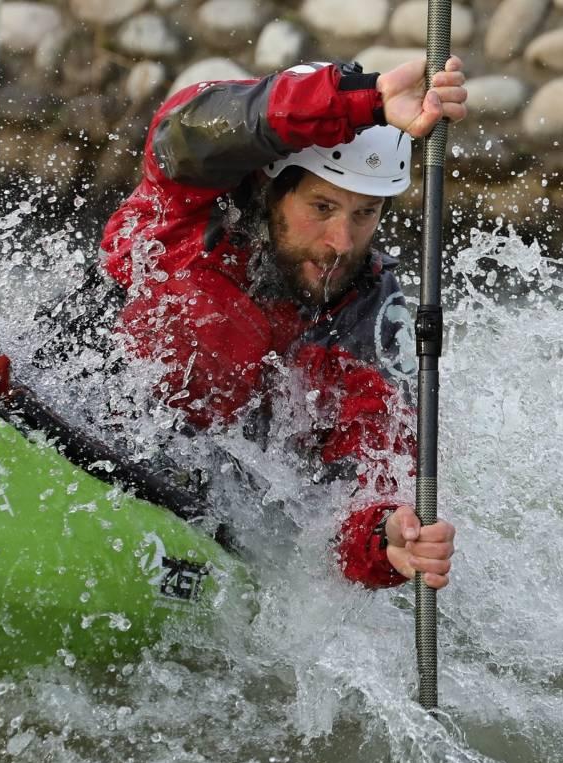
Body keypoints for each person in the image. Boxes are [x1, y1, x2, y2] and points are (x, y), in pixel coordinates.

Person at [37, 57, 467, 591]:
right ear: (270, 188)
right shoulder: (187, 208)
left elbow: (367, 480)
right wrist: (368, 99)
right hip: (43, 418)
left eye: (365, 215)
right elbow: (197, 120)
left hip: (178, 516)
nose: (342, 243)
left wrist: (386, 539)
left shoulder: (369, 317)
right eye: (323, 207)